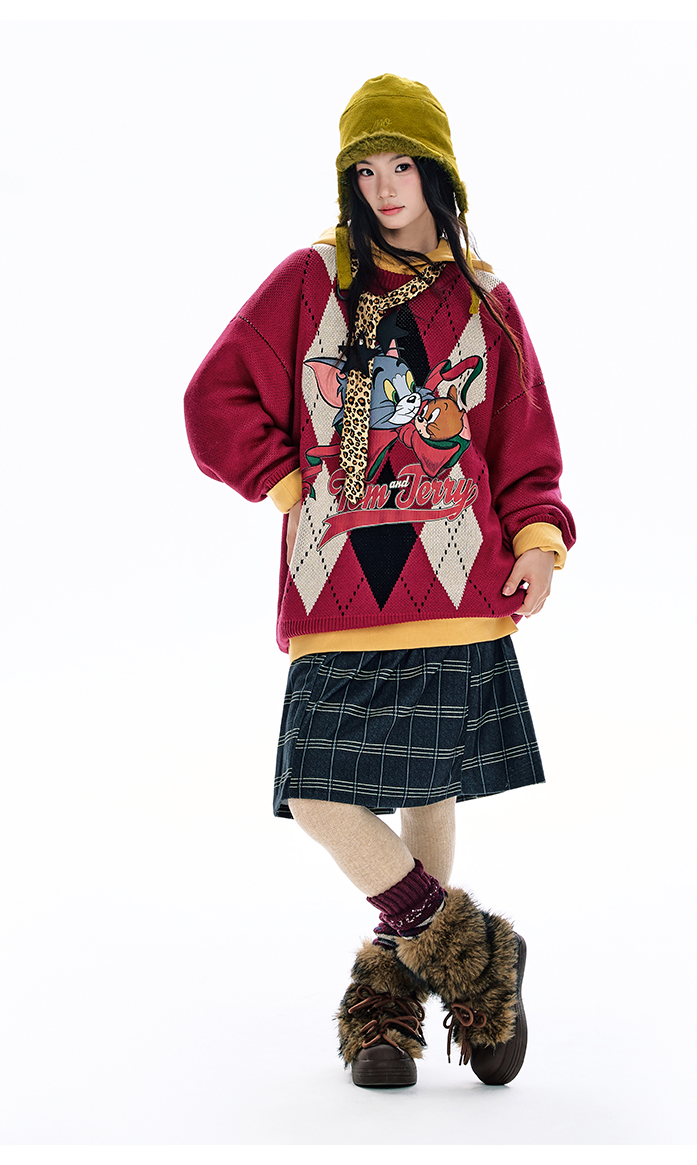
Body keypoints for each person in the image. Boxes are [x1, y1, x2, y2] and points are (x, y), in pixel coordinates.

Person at [184, 74, 575, 1090]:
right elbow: (213, 397)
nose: (385, 187)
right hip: (338, 589)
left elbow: (522, 441)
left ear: (439, 172)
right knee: (320, 793)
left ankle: (389, 1004)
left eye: (402, 165)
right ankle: (472, 949)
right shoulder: (312, 281)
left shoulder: (485, 299)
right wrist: (288, 483)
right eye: (366, 170)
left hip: (458, 582)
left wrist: (538, 536)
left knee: (427, 786)